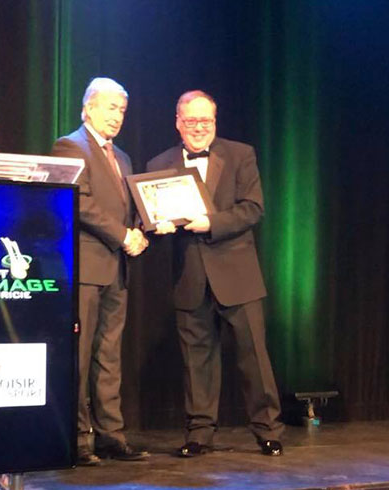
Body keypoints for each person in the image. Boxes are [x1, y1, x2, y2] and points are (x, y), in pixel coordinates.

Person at [147, 90, 285, 457]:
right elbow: (150, 217)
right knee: (197, 363)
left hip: (238, 274)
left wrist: (211, 223)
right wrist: (156, 228)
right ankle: (199, 434)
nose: (199, 128)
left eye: (205, 120)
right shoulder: (158, 163)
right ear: (178, 122)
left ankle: (268, 430)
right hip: (189, 276)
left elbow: (253, 208)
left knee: (254, 358)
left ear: (215, 121)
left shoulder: (240, 154)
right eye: (191, 121)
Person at [51, 77, 150, 465]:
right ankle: (77, 438)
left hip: (117, 269)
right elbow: (81, 202)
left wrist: (141, 230)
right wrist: (124, 235)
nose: (118, 116)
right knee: (78, 355)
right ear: (88, 108)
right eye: (111, 108)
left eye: (122, 110)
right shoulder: (69, 146)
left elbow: (129, 206)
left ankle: (111, 435)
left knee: (109, 356)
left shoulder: (122, 157)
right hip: (86, 268)